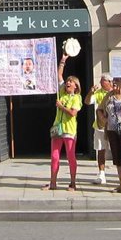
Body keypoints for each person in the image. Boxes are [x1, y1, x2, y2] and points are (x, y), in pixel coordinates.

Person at [43, 55, 82, 191]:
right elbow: (59, 75)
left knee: (71, 157)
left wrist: (61, 107)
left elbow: (73, 113)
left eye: (71, 81)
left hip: (69, 130)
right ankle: (53, 182)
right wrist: (63, 60)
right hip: (57, 128)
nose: (68, 83)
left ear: (76, 86)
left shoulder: (76, 98)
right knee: (54, 156)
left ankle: (73, 183)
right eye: (68, 81)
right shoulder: (61, 93)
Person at [84, 74, 113, 185]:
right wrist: (91, 92)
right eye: (101, 80)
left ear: (110, 82)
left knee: (117, 150)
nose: (101, 82)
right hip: (100, 126)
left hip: (113, 127)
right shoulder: (98, 92)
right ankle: (101, 174)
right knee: (100, 150)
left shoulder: (114, 93)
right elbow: (87, 102)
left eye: (103, 80)